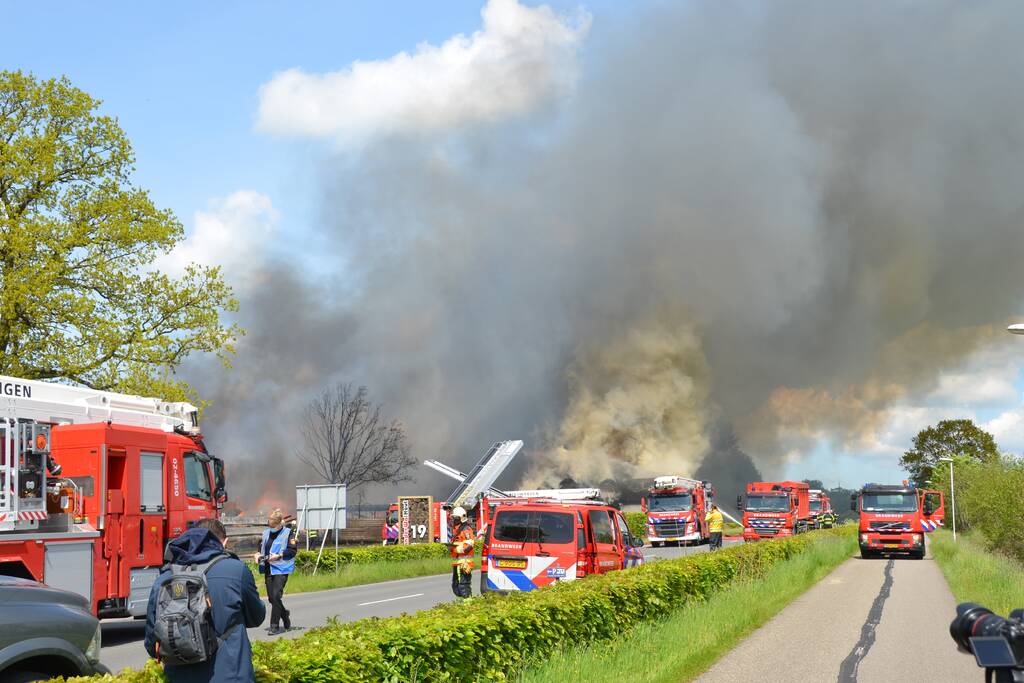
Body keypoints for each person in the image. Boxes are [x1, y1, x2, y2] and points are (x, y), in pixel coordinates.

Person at [145, 518, 265, 683]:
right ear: (224, 542)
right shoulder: (236, 570)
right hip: (231, 675)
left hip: (179, 677)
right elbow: (256, 617)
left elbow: (152, 643)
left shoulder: (165, 578)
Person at [253, 508, 296, 634]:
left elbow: (292, 551)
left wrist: (280, 555)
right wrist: (257, 555)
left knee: (276, 595)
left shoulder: (288, 533)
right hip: (268, 568)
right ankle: (284, 614)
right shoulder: (266, 533)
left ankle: (274, 626)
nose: (270, 526)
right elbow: (260, 549)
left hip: (281, 568)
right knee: (272, 598)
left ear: (278, 524)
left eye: (272, 524)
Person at [448, 506, 475, 599]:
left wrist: (453, 548)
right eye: (452, 518)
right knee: (455, 587)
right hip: (457, 564)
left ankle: (469, 606)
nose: (453, 520)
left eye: (455, 518)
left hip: (464, 564)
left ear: (461, 518)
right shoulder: (456, 530)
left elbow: (468, 546)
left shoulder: (466, 530)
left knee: (463, 586)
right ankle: (462, 606)